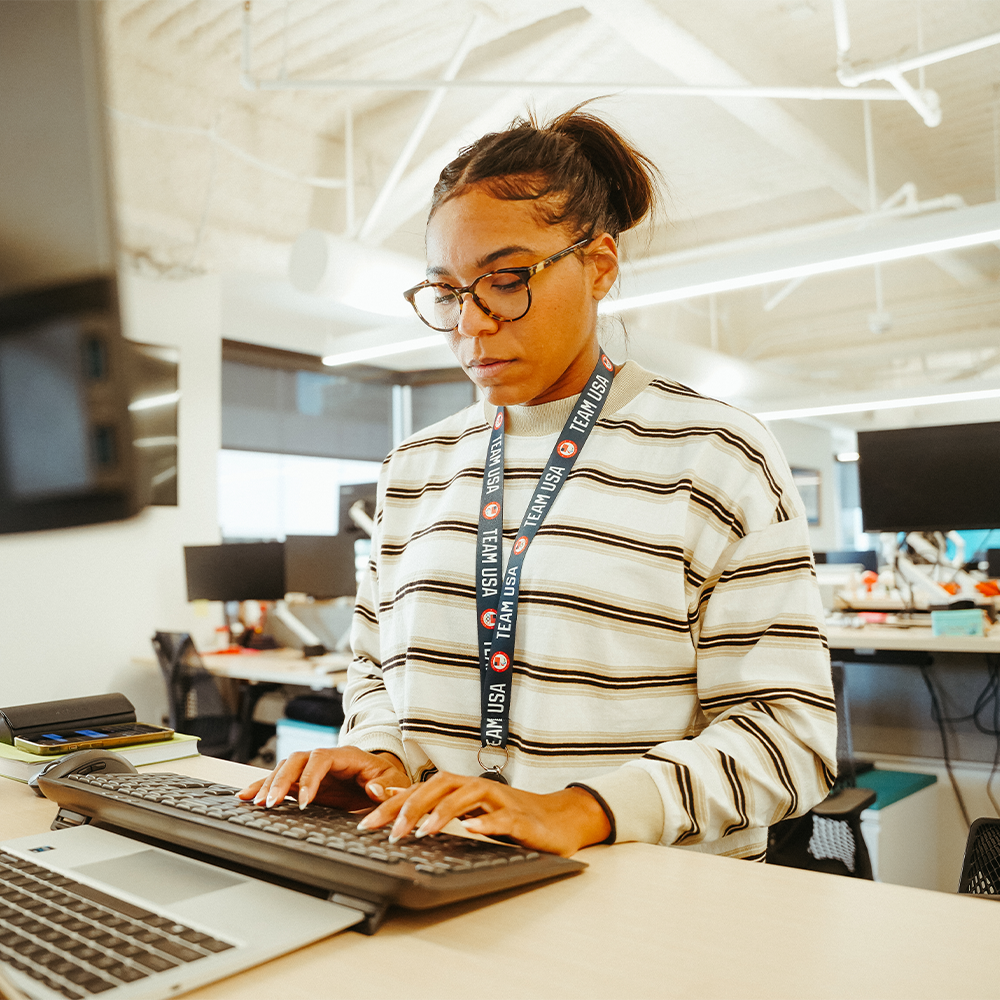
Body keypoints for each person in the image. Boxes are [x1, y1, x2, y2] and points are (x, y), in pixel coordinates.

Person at [239, 105, 836, 861]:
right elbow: (373, 671)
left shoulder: (715, 454)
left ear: (599, 266)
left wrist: (580, 810)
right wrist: (381, 752)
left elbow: (790, 736)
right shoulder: (415, 469)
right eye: (449, 292)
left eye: (507, 279)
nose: (472, 324)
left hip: (653, 906)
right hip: (440, 878)